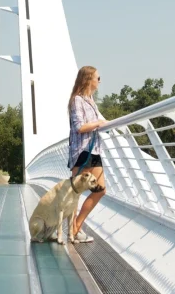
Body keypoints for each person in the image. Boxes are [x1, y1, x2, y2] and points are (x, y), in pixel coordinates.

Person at [67, 66, 108, 243]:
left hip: (94, 150)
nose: (99, 81)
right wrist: (98, 123)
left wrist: (103, 123)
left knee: (100, 190)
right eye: (98, 78)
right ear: (88, 79)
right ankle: (74, 230)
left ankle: (75, 227)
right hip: (82, 151)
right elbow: (79, 127)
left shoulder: (90, 100)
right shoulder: (77, 100)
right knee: (75, 193)